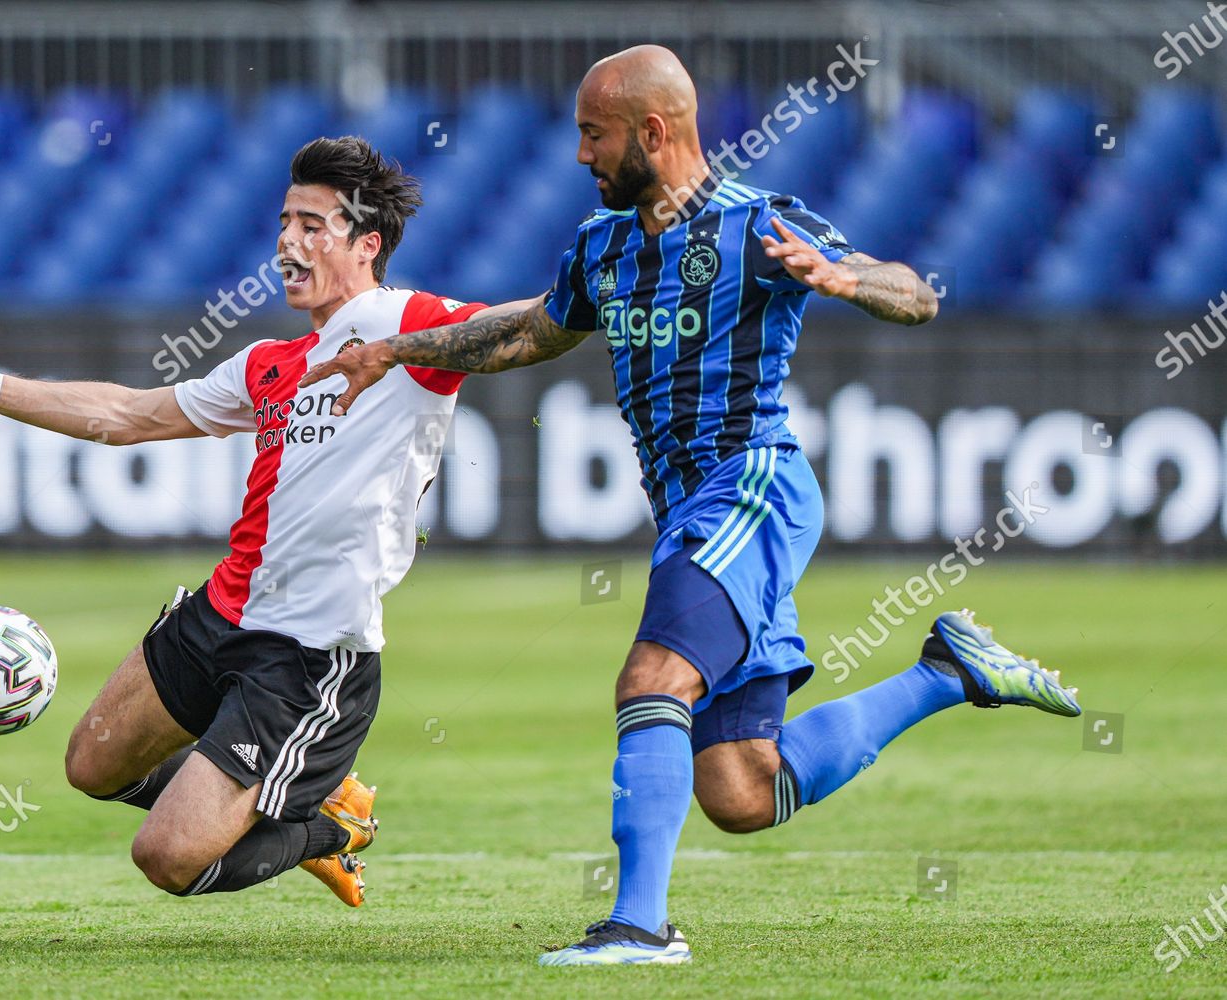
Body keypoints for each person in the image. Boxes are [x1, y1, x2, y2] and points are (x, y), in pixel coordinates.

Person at [300, 46, 1081, 962]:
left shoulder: (759, 226)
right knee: (743, 789)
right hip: (690, 516)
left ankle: (639, 926)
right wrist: (396, 353)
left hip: (751, 485)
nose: (582, 154)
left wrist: (846, 280)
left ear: (654, 131)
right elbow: (528, 334)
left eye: (594, 134)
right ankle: (947, 672)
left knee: (650, 680)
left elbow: (915, 294)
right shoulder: (600, 246)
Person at [0, 136, 521, 908]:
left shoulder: (409, 323)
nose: (288, 240)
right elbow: (125, 415)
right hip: (220, 614)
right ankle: (287, 800)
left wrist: (409, 347)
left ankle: (327, 828)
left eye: (313, 225)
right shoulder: (269, 363)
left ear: (367, 244)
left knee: (166, 858)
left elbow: (522, 329)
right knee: (92, 765)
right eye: (285, 221)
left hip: (309, 654)